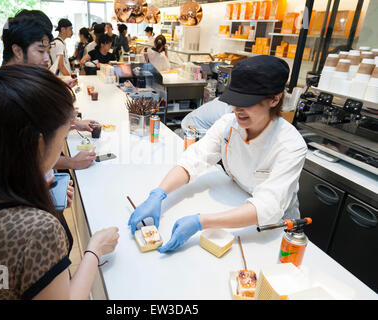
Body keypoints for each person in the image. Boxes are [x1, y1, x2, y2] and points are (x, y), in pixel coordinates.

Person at [0, 64, 120, 300]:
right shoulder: (38, 230)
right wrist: (95, 249)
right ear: (37, 144)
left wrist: (36, 197)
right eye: (62, 137)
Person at [128, 55, 308, 253]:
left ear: (275, 99)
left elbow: (267, 208)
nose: (237, 109)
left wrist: (201, 222)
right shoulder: (227, 124)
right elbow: (194, 159)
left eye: (247, 102)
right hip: (238, 200)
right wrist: (159, 194)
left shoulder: (291, 145)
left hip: (272, 230)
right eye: (234, 100)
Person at [2, 15, 96, 170]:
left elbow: (36, 130)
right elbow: (24, 157)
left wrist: (72, 124)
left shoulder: (23, 83)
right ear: (18, 51)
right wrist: (71, 163)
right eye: (40, 51)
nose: (47, 59)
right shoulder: (8, 95)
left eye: (47, 51)